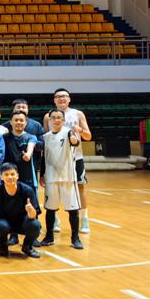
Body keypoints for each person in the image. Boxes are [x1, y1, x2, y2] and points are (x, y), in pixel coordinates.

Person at [43, 88, 93, 234]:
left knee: (80, 187)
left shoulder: (78, 114)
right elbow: (46, 138)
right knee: (53, 189)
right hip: (55, 159)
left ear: (69, 99)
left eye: (64, 96)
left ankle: (84, 219)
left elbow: (88, 136)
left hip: (75, 158)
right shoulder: (48, 116)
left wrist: (80, 130)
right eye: (58, 96)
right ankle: (55, 219)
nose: (61, 98)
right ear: (54, 100)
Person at [40, 109, 84, 249]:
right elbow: (43, 157)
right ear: (49, 120)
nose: (56, 120)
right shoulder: (45, 137)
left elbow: (75, 142)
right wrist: (42, 174)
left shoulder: (68, 132)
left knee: (73, 210)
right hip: (51, 177)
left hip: (68, 177)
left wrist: (75, 139)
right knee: (50, 209)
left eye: (59, 117)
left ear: (63, 120)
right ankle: (49, 237)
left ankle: (75, 238)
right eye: (53, 117)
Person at [0, 163, 42, 258]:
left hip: (23, 223)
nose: (10, 177)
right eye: (6, 174)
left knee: (35, 225)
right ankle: (3, 246)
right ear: (1, 177)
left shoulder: (28, 190)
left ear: (17, 176)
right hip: (5, 224)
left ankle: (27, 247)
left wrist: (30, 210)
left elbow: (33, 216)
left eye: (12, 174)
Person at [4, 111, 38, 189]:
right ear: (11, 122)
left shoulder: (31, 137)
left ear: (25, 123)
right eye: (16, 120)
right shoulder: (4, 138)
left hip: (27, 176)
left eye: (21, 120)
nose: (19, 122)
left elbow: (31, 146)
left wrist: (28, 154)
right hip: (9, 176)